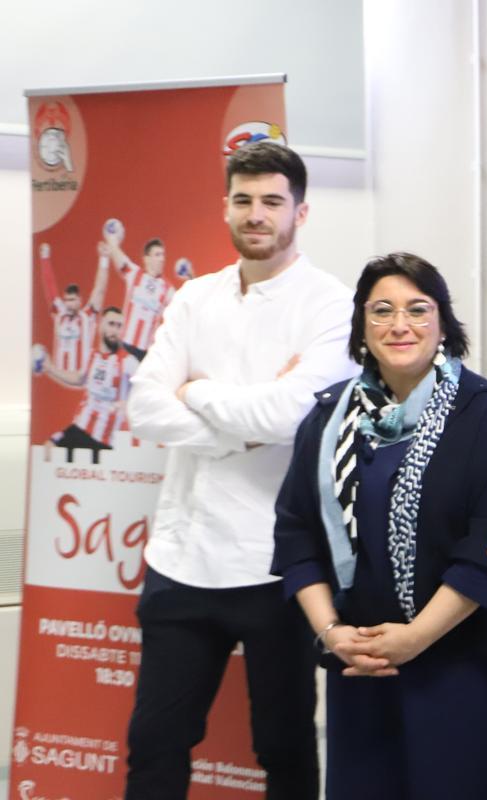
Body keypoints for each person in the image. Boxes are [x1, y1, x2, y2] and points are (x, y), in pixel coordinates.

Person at [124, 142, 357, 799]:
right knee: (154, 743)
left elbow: (289, 416)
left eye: (272, 202)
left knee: (282, 746)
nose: (257, 214)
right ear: (225, 206)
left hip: (275, 566)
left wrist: (195, 393)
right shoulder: (195, 297)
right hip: (181, 557)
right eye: (244, 200)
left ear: (300, 212)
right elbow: (143, 406)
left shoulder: (331, 305)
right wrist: (242, 433)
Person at [272, 252, 487, 800]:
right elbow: (296, 536)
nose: (400, 325)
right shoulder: (328, 419)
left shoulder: (483, 416)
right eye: (382, 310)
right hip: (361, 669)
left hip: (463, 671)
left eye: (418, 309)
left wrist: (415, 638)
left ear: (443, 323)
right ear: (361, 325)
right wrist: (332, 634)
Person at [40, 305, 136, 461]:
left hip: (105, 442)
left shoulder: (128, 362)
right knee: (48, 450)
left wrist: (130, 403)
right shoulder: (92, 356)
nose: (115, 331)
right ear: (100, 325)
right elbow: (78, 379)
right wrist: (50, 369)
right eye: (111, 324)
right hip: (80, 429)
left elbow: (148, 386)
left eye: (119, 326)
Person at [37, 241, 110, 372]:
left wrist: (104, 259)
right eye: (66, 300)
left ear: (80, 301)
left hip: (80, 382)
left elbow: (100, 288)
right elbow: (49, 286)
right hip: (60, 382)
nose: (68, 304)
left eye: (72, 300)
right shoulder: (60, 314)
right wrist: (45, 258)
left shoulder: (88, 316)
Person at [109, 235, 174, 360]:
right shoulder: (135, 274)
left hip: (144, 353)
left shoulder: (167, 288)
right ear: (146, 259)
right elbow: (119, 257)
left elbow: (183, 304)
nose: (162, 259)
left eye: (163, 255)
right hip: (124, 346)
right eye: (157, 255)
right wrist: (112, 240)